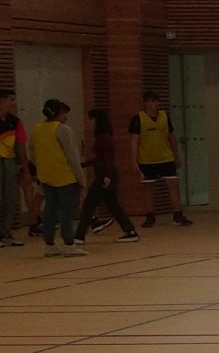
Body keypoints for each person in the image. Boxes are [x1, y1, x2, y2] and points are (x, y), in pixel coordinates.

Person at [127, 90, 194, 227]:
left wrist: (176, 156)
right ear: (145, 103)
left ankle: (177, 215)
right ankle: (150, 216)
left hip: (166, 158)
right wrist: (134, 162)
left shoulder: (164, 116)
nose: (156, 104)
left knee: (174, 185)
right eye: (152, 101)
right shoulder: (138, 119)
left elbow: (172, 137)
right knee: (148, 188)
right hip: (147, 160)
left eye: (157, 101)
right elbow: (134, 142)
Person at [72, 109, 139, 244]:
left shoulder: (102, 138)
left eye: (90, 119)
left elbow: (107, 159)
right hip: (108, 174)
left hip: (105, 175)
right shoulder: (104, 136)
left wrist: (106, 176)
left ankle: (79, 236)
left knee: (89, 203)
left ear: (96, 120)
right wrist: (82, 165)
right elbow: (100, 158)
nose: (88, 122)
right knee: (113, 205)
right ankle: (130, 231)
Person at [30, 99, 87, 256]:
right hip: (65, 176)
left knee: (50, 210)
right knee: (67, 211)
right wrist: (81, 177)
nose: (66, 117)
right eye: (64, 114)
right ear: (58, 113)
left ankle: (49, 244)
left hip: (46, 176)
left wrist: (42, 166)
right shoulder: (62, 130)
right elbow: (72, 156)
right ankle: (69, 243)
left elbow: (32, 152)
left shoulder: (37, 129)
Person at [0, 89, 24, 247]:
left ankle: (5, 232)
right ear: (2, 100)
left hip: (9, 161)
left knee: (10, 198)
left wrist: (23, 165)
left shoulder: (15, 121)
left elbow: (20, 144)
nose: (14, 103)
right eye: (11, 99)